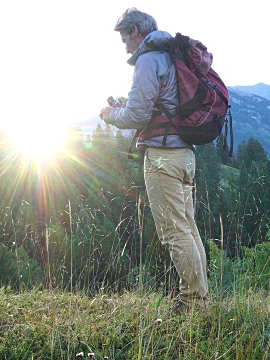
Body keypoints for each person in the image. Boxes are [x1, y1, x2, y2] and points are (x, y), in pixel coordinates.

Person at [99, 8, 209, 314]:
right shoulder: (171, 56)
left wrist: (111, 115)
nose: (124, 46)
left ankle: (192, 303)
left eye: (124, 38)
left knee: (174, 232)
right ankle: (200, 298)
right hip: (185, 154)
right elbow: (160, 103)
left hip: (162, 155)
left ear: (135, 30)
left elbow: (138, 116)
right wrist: (125, 102)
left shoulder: (148, 59)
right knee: (187, 228)